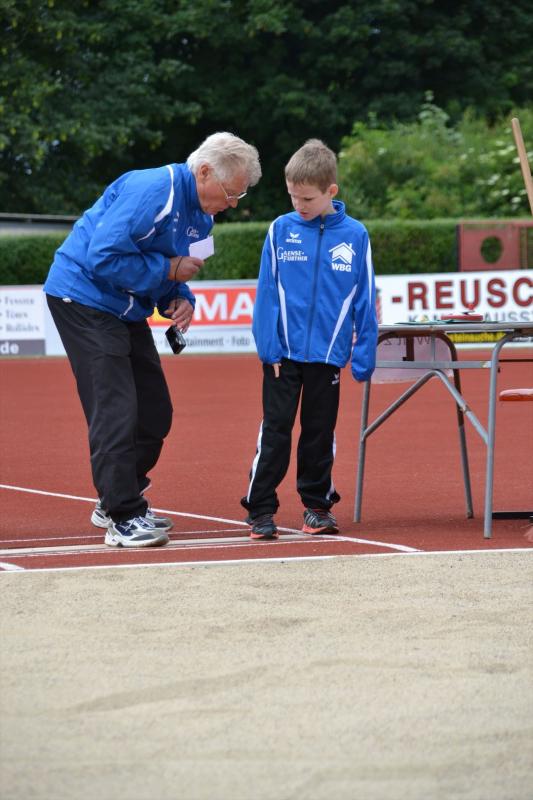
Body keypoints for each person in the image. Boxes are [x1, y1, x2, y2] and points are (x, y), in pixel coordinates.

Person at [45, 132, 261, 548]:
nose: (234, 203)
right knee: (116, 408)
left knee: (155, 412)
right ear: (204, 172)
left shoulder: (203, 217)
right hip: (83, 296)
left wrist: (180, 297)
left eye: (241, 194)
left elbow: (178, 269)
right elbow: (102, 256)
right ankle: (123, 515)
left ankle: (114, 499)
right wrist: (167, 271)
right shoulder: (152, 189)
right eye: (231, 192)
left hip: (126, 307)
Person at [241, 138, 378, 539]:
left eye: (307, 198)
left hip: (328, 355)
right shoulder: (280, 230)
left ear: (331, 191)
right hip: (282, 355)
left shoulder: (355, 235)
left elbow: (365, 296)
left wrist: (363, 351)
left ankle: (317, 507)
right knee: (276, 430)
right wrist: (268, 347)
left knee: (320, 432)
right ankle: (260, 509)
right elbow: (267, 292)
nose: (299, 205)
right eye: (293, 196)